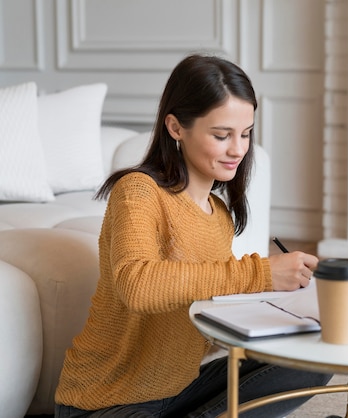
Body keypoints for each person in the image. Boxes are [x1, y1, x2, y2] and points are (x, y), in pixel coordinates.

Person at [54, 53, 332, 417]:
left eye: (245, 134)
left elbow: (210, 303)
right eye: (222, 135)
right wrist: (261, 272)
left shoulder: (218, 217)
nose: (238, 149)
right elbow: (136, 284)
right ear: (175, 127)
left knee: (314, 358)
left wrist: (294, 305)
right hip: (106, 402)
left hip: (178, 392)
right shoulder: (138, 191)